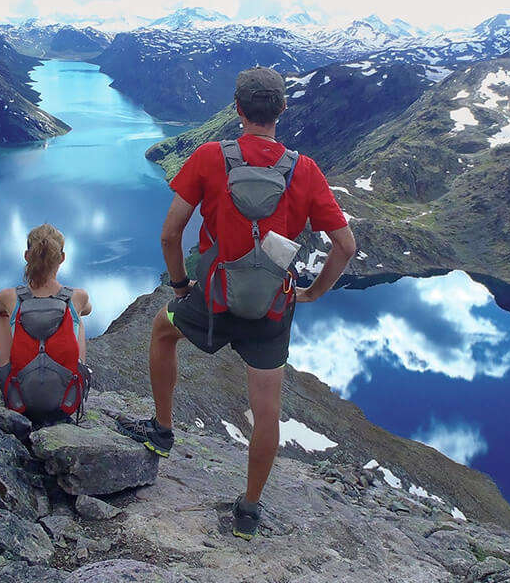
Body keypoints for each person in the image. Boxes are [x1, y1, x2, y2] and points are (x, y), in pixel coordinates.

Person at [117, 66, 357, 540]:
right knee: (266, 410)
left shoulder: (210, 157)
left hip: (213, 299)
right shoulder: (304, 170)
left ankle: (162, 432)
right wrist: (310, 292)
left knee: (163, 331)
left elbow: (170, 234)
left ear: (237, 108)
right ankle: (248, 511)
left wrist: (183, 287)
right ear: (282, 110)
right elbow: (345, 245)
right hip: (271, 309)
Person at [0, 223, 92, 428]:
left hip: (20, 402)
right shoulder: (78, 296)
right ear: (62, 258)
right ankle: (75, 373)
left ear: (27, 256)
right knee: (77, 317)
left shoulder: (10, 296)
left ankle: (7, 372)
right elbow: (88, 309)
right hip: (67, 403)